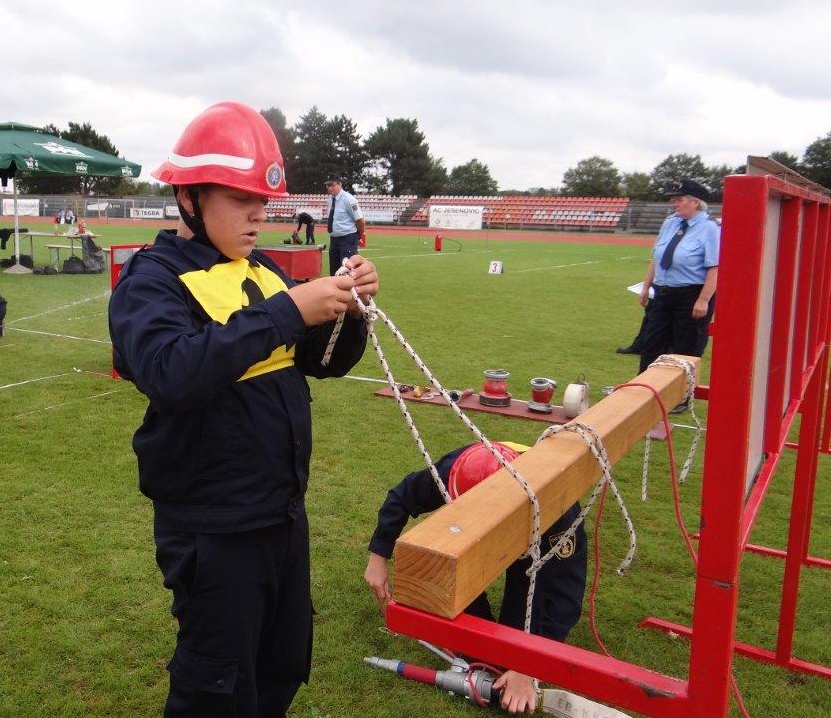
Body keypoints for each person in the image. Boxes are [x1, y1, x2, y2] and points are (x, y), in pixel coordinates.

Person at [108, 101, 380, 718]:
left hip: (280, 513)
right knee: (217, 687)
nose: (258, 213)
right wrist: (288, 310)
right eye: (238, 198)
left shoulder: (260, 270)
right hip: (215, 524)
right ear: (189, 198)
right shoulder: (151, 281)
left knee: (280, 662)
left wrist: (349, 307)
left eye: (261, 199)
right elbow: (170, 372)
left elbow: (322, 362)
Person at [364, 442, 587, 715]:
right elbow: (403, 496)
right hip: (471, 524)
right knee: (481, 652)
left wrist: (528, 668)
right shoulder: (456, 471)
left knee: (513, 651)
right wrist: (378, 556)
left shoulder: (558, 511)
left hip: (531, 542)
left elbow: (564, 593)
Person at [636, 178, 720, 410]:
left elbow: (715, 267)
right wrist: (646, 286)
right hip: (663, 292)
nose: (674, 204)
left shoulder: (710, 228)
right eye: (673, 199)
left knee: (686, 346)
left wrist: (703, 299)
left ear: (695, 202)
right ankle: (644, 389)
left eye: (679, 199)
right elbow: (657, 257)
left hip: (691, 294)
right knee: (652, 343)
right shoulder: (670, 223)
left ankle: (680, 397)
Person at [325, 175, 365, 274]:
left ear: (339, 184)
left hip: (348, 239)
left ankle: (351, 289)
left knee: (347, 270)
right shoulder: (330, 200)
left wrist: (358, 236)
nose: (329, 188)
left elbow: (360, 220)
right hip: (334, 239)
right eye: (327, 185)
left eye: (332, 185)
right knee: (334, 270)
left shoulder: (349, 199)